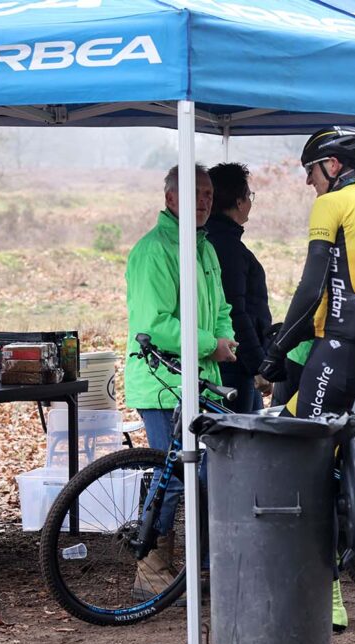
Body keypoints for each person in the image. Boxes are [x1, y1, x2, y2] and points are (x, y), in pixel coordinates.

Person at [258, 126, 355, 632]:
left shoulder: (333, 207)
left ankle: (328, 593)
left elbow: (312, 283)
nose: (307, 184)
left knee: (299, 461)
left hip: (337, 350)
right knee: (328, 459)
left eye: (310, 172)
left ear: (333, 166)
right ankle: (338, 558)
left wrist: (276, 351)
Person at [125, 163, 237, 599]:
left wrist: (224, 338)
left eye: (208, 193)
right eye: (195, 193)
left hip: (198, 377)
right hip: (161, 379)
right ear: (171, 198)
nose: (205, 201)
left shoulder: (203, 247)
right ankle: (149, 567)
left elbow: (221, 306)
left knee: (208, 472)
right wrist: (212, 344)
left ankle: (202, 565)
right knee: (172, 472)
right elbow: (156, 325)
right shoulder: (156, 250)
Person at [204, 162, 273, 413]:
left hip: (237, 361)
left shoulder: (216, 240)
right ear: (239, 201)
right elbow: (236, 312)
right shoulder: (227, 248)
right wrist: (259, 366)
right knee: (239, 443)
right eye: (249, 196)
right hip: (234, 364)